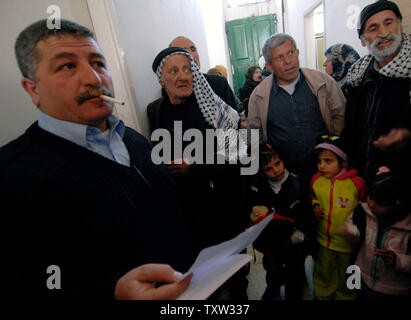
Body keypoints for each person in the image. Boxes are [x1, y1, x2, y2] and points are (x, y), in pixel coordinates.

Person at [0, 19, 195, 300]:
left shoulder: (136, 141)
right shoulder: (13, 177)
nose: (94, 78)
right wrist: (112, 293)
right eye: (67, 66)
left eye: (98, 63)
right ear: (32, 89)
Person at [147, 47, 249, 299]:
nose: (183, 76)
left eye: (187, 69)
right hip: (188, 211)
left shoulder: (212, 108)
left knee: (234, 271)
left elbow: (237, 154)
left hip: (224, 204)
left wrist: (193, 167)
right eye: (174, 71)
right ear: (162, 79)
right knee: (201, 274)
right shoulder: (155, 111)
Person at [247, 33, 346, 200]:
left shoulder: (324, 83)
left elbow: (340, 116)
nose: (288, 61)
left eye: (291, 53)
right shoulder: (259, 96)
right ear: (269, 66)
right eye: (280, 57)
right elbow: (254, 138)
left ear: (298, 53)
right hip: (284, 179)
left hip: (325, 172)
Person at [342, 0, 411, 179]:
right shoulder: (357, 77)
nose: (383, 33)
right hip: (363, 181)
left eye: (389, 23)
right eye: (373, 28)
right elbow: (351, 130)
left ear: (400, 26)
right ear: (363, 41)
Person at [248, 144, 310, 300]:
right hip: (272, 243)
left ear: (283, 161)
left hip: (294, 240)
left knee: (294, 273)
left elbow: (306, 212)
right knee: (271, 269)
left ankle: (293, 293)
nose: (275, 170)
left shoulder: (297, 183)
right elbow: (256, 216)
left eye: (277, 163)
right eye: (268, 168)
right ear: (262, 171)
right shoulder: (260, 187)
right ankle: (273, 287)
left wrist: (301, 232)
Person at [310, 135, 366, 300]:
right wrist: (315, 205)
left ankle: (348, 296)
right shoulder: (316, 180)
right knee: (324, 271)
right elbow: (313, 196)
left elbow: (365, 207)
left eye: (328, 161)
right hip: (324, 240)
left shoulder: (357, 183)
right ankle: (323, 295)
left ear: (342, 162)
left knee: (349, 272)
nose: (322, 166)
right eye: (319, 161)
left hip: (348, 244)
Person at [343, 167, 410, 300]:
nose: (371, 204)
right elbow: (351, 227)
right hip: (362, 276)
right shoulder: (363, 211)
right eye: (370, 197)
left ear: (397, 202)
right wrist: (351, 232)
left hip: (393, 289)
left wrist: (398, 260)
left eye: (379, 202)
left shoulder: (407, 227)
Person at [169, 36, 243, 113]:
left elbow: (234, 117)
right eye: (184, 51)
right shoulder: (171, 90)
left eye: (193, 49)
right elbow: (176, 122)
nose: (191, 55)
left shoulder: (219, 83)